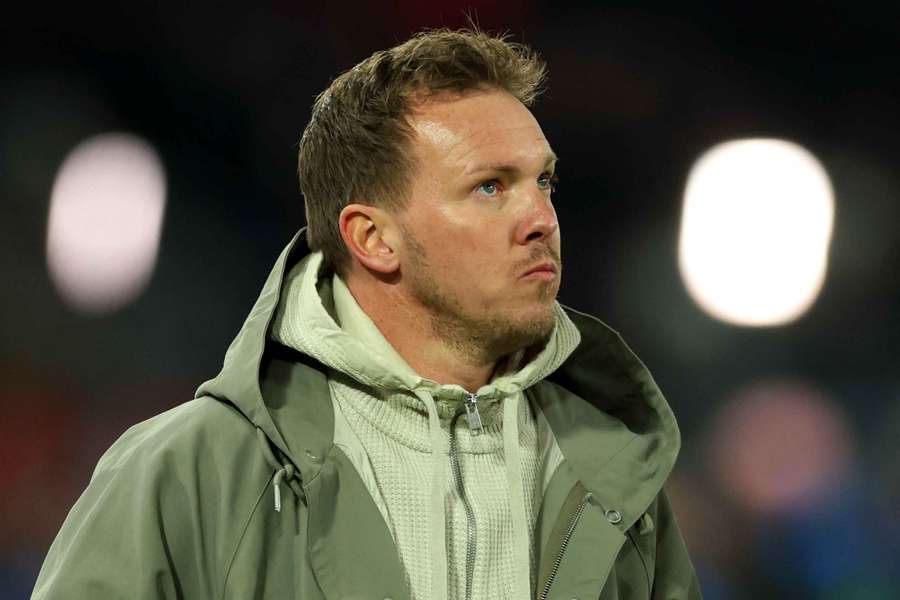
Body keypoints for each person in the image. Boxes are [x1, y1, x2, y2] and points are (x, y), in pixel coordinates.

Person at [32, 28, 701, 600]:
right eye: (490, 187)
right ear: (373, 238)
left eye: (543, 181)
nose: (541, 219)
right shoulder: (190, 471)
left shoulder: (614, 474)